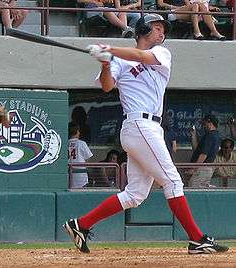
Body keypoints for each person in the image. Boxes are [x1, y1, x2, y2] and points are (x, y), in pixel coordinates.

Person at [63, 14, 228, 254]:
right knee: (172, 181)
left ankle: (81, 224)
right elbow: (107, 85)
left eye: (163, 29)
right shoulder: (119, 60)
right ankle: (197, 239)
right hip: (138, 125)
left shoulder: (162, 53)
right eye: (157, 28)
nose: (162, 33)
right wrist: (106, 62)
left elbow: (140, 56)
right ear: (142, 29)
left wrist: (109, 49)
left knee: (135, 194)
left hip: (149, 128)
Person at [156, 0, 225, 40]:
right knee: (196, 5)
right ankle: (197, 32)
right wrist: (175, 7)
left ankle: (214, 31)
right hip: (171, 11)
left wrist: (186, 7)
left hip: (185, 11)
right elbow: (160, 4)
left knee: (200, 6)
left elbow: (188, 4)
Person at [188, 114, 220, 188]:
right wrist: (193, 135)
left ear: (210, 123)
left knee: (193, 187)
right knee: (203, 188)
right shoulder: (212, 135)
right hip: (206, 168)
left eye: (204, 124)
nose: (203, 126)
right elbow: (197, 149)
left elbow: (204, 154)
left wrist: (194, 168)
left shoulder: (211, 135)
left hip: (203, 167)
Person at [68, 122, 93, 189]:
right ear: (77, 132)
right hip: (80, 174)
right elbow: (88, 158)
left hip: (68, 174)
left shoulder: (65, 143)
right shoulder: (81, 143)